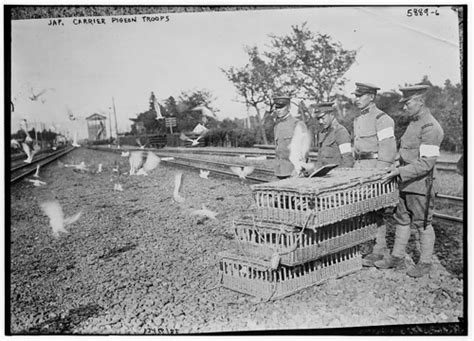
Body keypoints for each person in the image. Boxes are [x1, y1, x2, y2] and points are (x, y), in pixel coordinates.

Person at [375, 84, 444, 278]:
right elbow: (407, 154)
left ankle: (425, 262)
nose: (404, 107)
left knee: (423, 224)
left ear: (421, 102)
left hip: (422, 184)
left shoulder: (431, 127)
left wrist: (398, 171)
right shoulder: (414, 123)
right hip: (406, 182)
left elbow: (426, 164)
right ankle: (397, 257)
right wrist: (396, 164)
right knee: (402, 220)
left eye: (408, 103)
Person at [352, 82, 397, 267]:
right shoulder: (358, 119)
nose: (356, 99)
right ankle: (368, 246)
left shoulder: (382, 119)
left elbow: (388, 148)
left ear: (371, 97)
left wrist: (380, 174)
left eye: (360, 96)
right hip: (360, 168)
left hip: (374, 169)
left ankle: (379, 250)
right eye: (355, 96)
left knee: (377, 211)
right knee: (364, 211)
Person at [273, 96, 309, 179]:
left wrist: (299, 169)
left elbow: (304, 152)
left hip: (294, 172)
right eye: (276, 108)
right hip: (280, 172)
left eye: (281, 107)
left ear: (289, 107)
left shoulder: (297, 124)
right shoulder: (277, 126)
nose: (278, 110)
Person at [314, 102, 354, 168]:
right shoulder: (322, 133)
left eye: (323, 118)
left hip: (337, 175)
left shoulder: (341, 132)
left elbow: (348, 161)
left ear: (332, 115)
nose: (320, 121)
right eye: (318, 119)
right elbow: (320, 160)